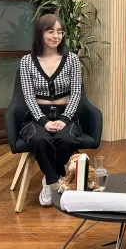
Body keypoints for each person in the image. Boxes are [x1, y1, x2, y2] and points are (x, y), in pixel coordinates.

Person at [19, 14, 83, 207]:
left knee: (66, 139)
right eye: (51, 31)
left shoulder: (72, 59)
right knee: (39, 139)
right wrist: (44, 122)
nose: (56, 36)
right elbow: (28, 97)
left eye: (60, 32)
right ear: (40, 33)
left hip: (66, 114)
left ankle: (49, 178)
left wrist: (64, 119)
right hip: (37, 116)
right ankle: (54, 181)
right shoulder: (26, 61)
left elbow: (77, 93)